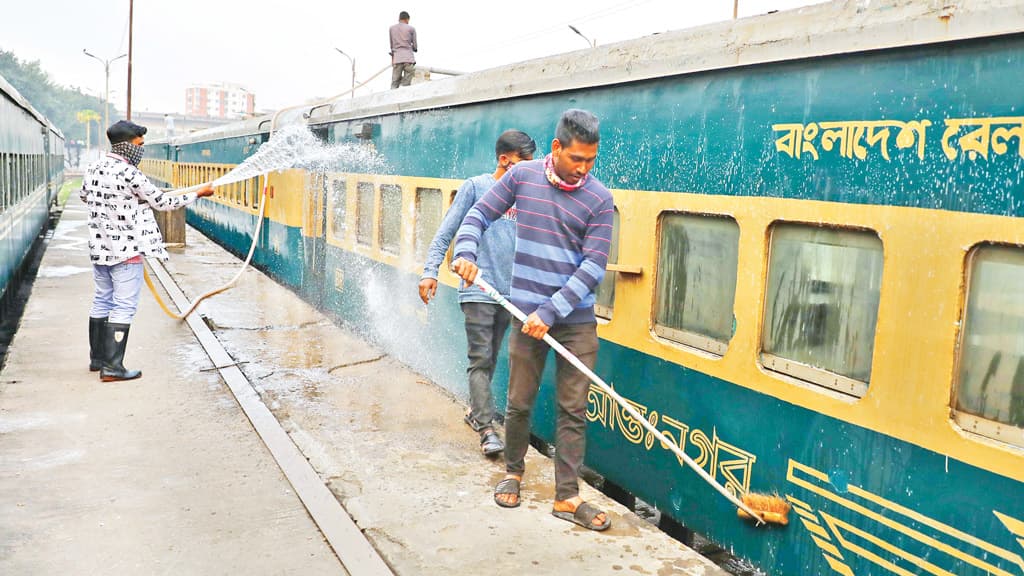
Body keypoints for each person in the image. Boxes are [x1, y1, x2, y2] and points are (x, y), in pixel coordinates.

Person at [452, 109, 614, 531]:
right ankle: (514, 472)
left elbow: (593, 267)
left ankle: (567, 497)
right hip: (526, 316)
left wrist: (551, 311)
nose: (583, 169)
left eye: (591, 161)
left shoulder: (599, 198)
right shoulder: (522, 178)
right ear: (557, 148)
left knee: (572, 409)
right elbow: (477, 215)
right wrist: (466, 252)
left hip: (574, 322)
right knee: (519, 402)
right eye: (577, 159)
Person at [418, 130, 537, 456]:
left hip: (512, 295)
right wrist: (430, 273)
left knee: (493, 356)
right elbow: (446, 233)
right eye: (524, 164)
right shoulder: (476, 187)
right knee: (481, 360)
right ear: (504, 159)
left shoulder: (525, 197)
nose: (529, 171)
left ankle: (475, 411)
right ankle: (486, 429)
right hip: (478, 291)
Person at [81, 120, 215, 382]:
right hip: (126, 252)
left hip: (100, 249)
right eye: (139, 144)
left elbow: (86, 196)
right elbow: (163, 202)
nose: (141, 150)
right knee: (123, 306)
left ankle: (98, 360)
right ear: (126, 145)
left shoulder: (94, 167)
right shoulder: (130, 173)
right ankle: (113, 367)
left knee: (102, 300)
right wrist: (198, 193)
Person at [389, 11, 417, 89]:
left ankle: (392, 98)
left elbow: (391, 46)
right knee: (407, 83)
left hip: (397, 59)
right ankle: (404, 96)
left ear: (399, 19)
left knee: (394, 82)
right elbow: (415, 46)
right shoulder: (411, 29)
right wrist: (412, 47)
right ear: (407, 19)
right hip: (408, 59)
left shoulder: (392, 28)